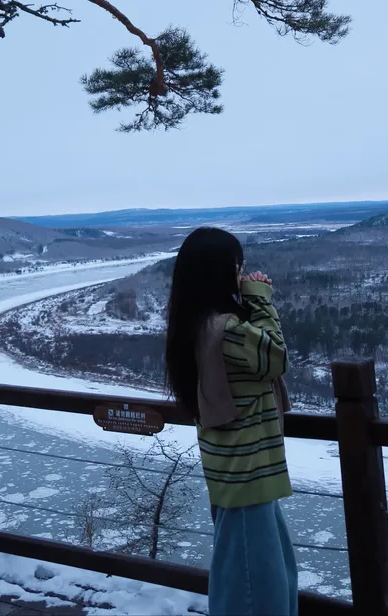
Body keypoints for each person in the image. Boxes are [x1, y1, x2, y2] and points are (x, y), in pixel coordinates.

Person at [165, 227, 298, 616]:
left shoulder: (194, 324)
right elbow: (275, 358)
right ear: (219, 271)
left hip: (235, 471)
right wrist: (260, 299)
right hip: (247, 473)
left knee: (252, 575)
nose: (242, 273)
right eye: (237, 265)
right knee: (259, 587)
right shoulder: (226, 331)